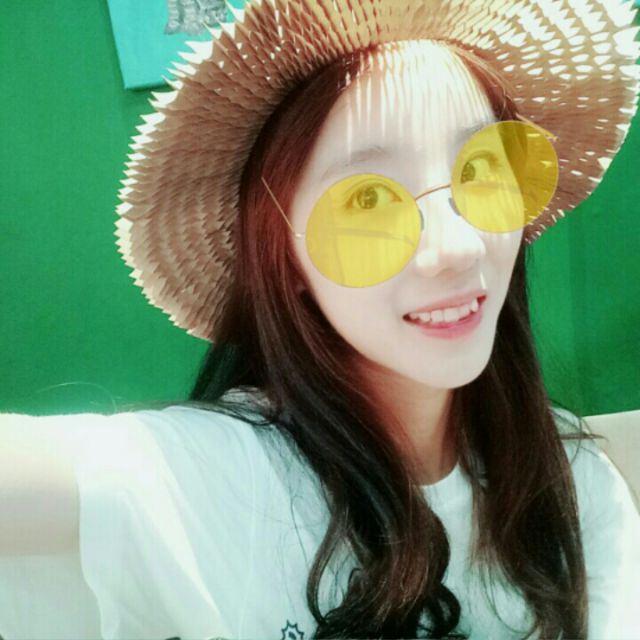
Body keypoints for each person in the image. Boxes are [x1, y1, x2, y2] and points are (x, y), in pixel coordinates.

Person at [1, 0, 640, 638]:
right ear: (285, 259)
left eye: (479, 168)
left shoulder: (577, 483)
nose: (459, 247)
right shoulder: (229, 479)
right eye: (367, 198)